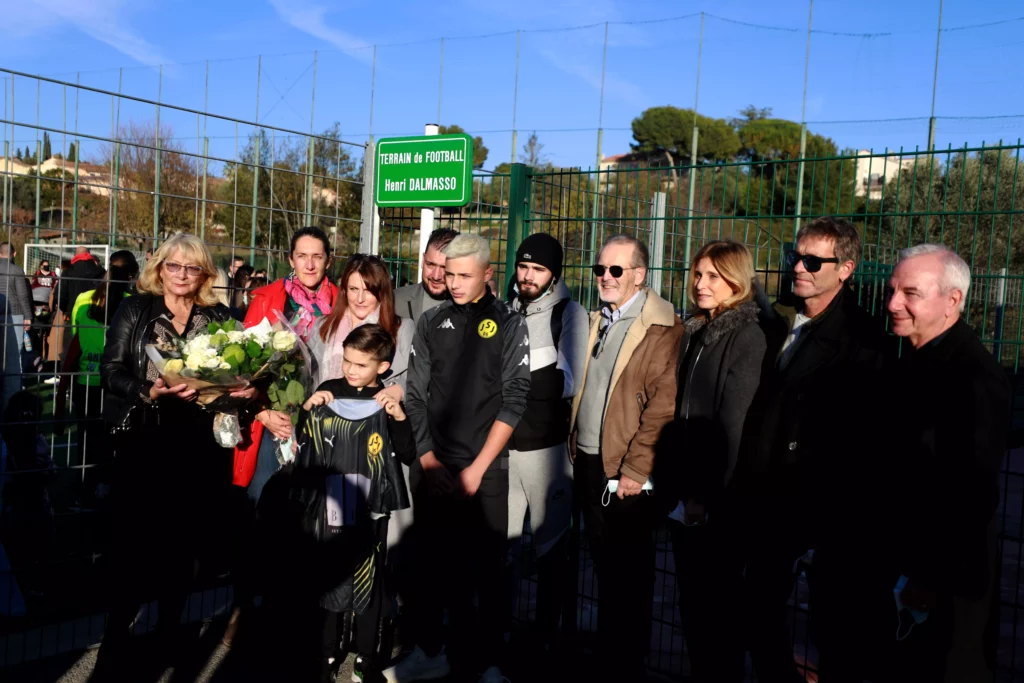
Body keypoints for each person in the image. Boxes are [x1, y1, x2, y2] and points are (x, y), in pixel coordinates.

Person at [94, 233, 258, 679]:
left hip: (199, 446)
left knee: (185, 546)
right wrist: (148, 389)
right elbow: (110, 370)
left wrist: (247, 386)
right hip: (146, 442)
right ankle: (117, 637)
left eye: (192, 268)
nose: (182, 275)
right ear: (159, 267)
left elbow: (243, 368)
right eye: (174, 266)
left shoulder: (221, 317)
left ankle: (169, 632)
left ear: (205, 273)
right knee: (133, 544)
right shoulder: (136, 308)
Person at [742, 217, 890, 682]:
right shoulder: (781, 321)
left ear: (845, 268)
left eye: (812, 261)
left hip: (821, 510)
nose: (798, 268)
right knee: (757, 613)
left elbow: (862, 440)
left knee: (833, 632)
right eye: (795, 257)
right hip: (767, 498)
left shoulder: (864, 341)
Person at [386, 234, 530, 683]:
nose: (453, 283)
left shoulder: (509, 323)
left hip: (484, 471)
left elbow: (514, 399)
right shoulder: (431, 322)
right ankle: (431, 652)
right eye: (448, 273)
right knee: (429, 568)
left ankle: (487, 663)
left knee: (487, 572)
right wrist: (427, 460)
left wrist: (478, 469)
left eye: (464, 275)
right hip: (435, 468)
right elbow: (415, 394)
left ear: (488, 274)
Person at [568, 233, 683, 681]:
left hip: (628, 468)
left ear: (639, 275)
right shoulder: (598, 319)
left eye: (616, 270)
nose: (606, 277)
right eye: (600, 269)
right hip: (591, 460)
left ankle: (627, 663)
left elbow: (663, 404)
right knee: (604, 566)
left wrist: (637, 468)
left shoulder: (663, 327)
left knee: (631, 573)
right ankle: (610, 655)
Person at [273, 324, 415, 683]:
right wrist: (308, 408)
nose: (350, 370)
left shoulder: (387, 398)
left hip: (372, 501)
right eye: (347, 361)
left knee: (368, 575)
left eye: (361, 365)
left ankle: (367, 656)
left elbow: (408, 453)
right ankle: (326, 654)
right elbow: (304, 443)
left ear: (382, 367)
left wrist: (398, 416)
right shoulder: (328, 391)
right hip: (332, 497)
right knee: (330, 572)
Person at [660, 241, 766, 683]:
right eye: (698, 274)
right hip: (685, 495)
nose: (701, 284)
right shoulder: (699, 328)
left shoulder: (746, 336)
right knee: (692, 607)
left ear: (737, 282)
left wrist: (704, 496)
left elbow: (732, 426)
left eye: (713, 277)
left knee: (716, 612)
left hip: (714, 503)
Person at [504, 233, 588, 640]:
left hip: (547, 452)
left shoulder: (569, 313)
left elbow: (569, 380)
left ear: (553, 274)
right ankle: (497, 637)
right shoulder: (505, 309)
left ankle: (546, 642)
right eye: (524, 266)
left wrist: (511, 375)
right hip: (503, 448)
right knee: (499, 550)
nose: (528, 275)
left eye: (538, 269)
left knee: (550, 551)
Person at [234, 226, 338, 497]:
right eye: (302, 256)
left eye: (317, 256)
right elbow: (243, 369)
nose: (310, 264)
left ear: (329, 260)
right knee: (265, 501)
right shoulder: (266, 300)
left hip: (325, 422)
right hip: (273, 421)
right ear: (291, 260)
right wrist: (262, 413)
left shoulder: (343, 303)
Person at [57, 251, 140, 507]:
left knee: (86, 443)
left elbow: (77, 344)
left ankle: (85, 492)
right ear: (131, 276)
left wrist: (62, 393)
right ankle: (107, 492)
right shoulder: (133, 304)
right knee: (114, 443)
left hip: (86, 382)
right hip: (116, 387)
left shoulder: (83, 299)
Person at [394, 228, 458, 322]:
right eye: (430, 264)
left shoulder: (471, 308)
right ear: (423, 260)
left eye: (444, 268)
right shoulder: (395, 300)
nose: (436, 276)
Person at [0, 242, 32, 343]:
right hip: (14, 313)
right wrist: (28, 316)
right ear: (14, 254)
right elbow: (22, 295)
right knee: (15, 350)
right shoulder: (17, 270)